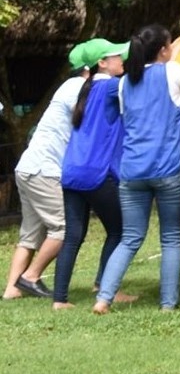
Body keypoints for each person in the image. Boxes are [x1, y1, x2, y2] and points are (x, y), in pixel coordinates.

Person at [95, 25, 180, 314]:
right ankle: (167, 304)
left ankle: (103, 299)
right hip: (167, 169)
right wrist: (174, 60)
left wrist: (169, 57)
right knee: (171, 237)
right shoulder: (173, 71)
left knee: (130, 238)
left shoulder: (124, 83)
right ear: (163, 50)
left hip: (132, 172)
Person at [5, 46, 90, 300]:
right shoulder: (76, 86)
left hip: (29, 167)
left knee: (30, 234)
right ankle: (31, 277)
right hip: (44, 170)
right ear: (89, 68)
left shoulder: (68, 86)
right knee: (64, 228)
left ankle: (11, 289)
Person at [51, 39, 129, 310]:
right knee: (120, 231)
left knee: (73, 236)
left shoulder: (89, 88)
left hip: (72, 172)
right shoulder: (109, 87)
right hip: (95, 173)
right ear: (102, 63)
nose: (122, 60)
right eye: (116, 56)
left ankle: (59, 299)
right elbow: (139, 84)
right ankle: (105, 288)